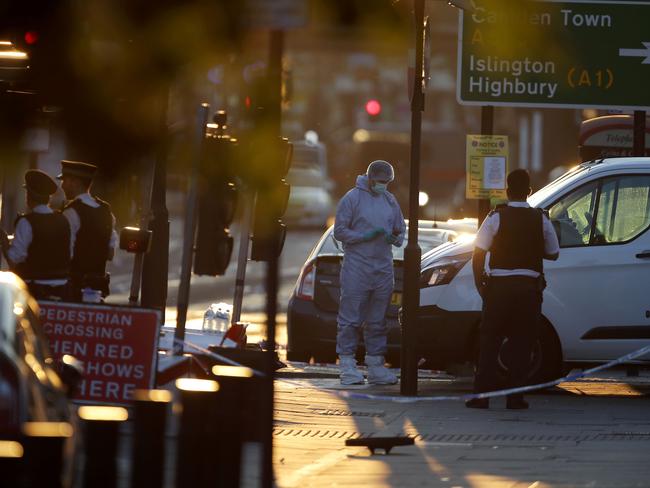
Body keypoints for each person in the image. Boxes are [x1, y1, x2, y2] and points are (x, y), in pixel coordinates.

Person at [467, 169, 559, 410]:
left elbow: (478, 252)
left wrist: (481, 284)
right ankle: (515, 397)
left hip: (499, 289)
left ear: (507, 191)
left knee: (489, 342)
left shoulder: (496, 217)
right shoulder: (540, 218)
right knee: (523, 343)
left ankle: (481, 397)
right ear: (529, 192)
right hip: (528, 290)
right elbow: (554, 252)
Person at [333, 160, 406, 385]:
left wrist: (394, 238)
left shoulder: (390, 200)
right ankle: (347, 365)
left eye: (387, 182)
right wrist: (363, 236)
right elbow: (339, 231)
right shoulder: (352, 198)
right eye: (380, 181)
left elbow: (400, 229)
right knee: (350, 317)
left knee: (378, 319)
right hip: (357, 265)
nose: (383, 185)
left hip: (383, 266)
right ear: (370, 178)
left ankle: (375, 365)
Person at [0, 169, 71, 300]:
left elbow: (14, 260)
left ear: (28, 196)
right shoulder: (63, 220)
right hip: (62, 287)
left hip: (34, 288)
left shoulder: (26, 222)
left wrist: (4, 242)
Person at [58, 160, 117, 302]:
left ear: (74, 182)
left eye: (64, 181)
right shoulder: (106, 211)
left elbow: (66, 254)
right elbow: (110, 253)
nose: (62, 186)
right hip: (98, 286)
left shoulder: (72, 212)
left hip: (74, 287)